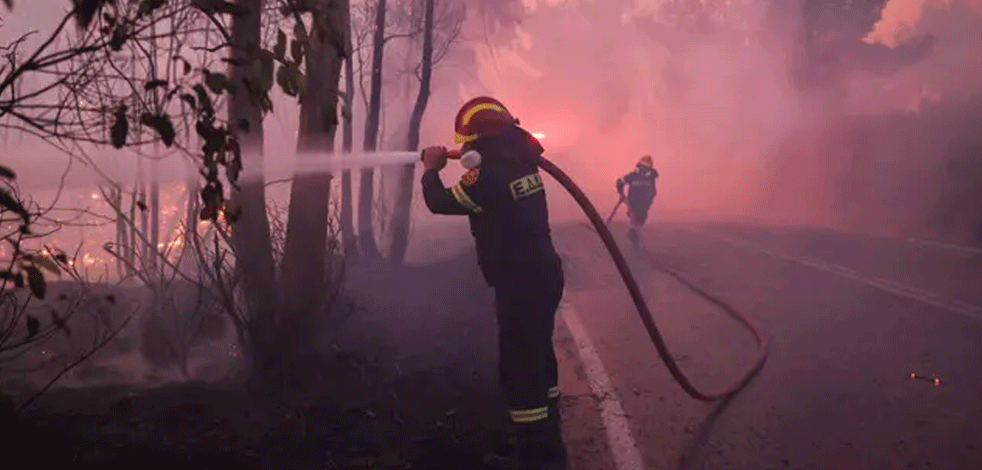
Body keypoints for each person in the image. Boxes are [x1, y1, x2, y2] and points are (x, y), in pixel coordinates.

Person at [419, 96, 567, 470]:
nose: (465, 149)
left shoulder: (488, 176)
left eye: (468, 143)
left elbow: (440, 202)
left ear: (477, 141)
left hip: (519, 281)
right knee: (539, 350)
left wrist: (430, 169)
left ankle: (534, 453)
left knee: (519, 364)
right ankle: (550, 434)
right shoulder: (520, 159)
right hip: (545, 273)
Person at [616, 155, 659, 245]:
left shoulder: (636, 175)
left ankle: (635, 234)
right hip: (638, 203)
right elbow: (620, 182)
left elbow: (620, 182)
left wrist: (621, 193)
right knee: (637, 219)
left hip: (638, 203)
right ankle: (635, 234)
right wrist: (621, 194)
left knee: (637, 219)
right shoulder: (649, 176)